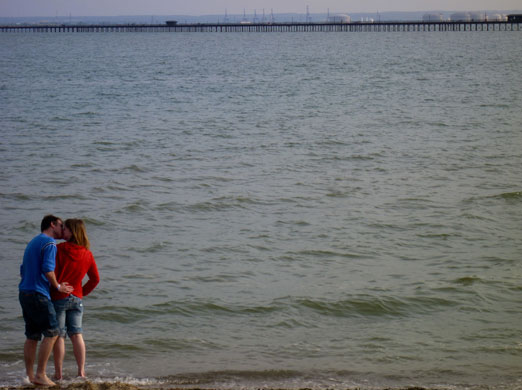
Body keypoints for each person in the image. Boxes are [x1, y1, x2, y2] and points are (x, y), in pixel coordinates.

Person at [19, 215, 74, 386]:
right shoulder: (50, 244)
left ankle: (30, 377)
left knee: (32, 336)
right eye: (61, 225)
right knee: (52, 332)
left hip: (24, 292)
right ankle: (41, 374)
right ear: (52, 225)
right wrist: (58, 287)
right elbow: (48, 270)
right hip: (38, 294)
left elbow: (23, 269)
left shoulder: (33, 242)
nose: (62, 228)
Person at [51, 218, 100, 379]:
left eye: (64, 229)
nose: (62, 231)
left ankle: (58, 373)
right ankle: (81, 372)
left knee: (59, 336)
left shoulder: (59, 249)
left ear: (71, 232)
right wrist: (82, 293)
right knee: (77, 334)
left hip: (59, 296)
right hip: (76, 298)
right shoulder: (87, 253)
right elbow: (95, 279)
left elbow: (50, 272)